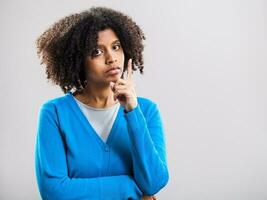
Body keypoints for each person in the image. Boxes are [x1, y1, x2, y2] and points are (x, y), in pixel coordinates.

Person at [35, 6, 169, 200]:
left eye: (116, 47)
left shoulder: (146, 111)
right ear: (79, 60)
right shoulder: (55, 113)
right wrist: (131, 186)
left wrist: (132, 111)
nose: (111, 58)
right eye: (97, 51)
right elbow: (54, 192)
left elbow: (154, 182)